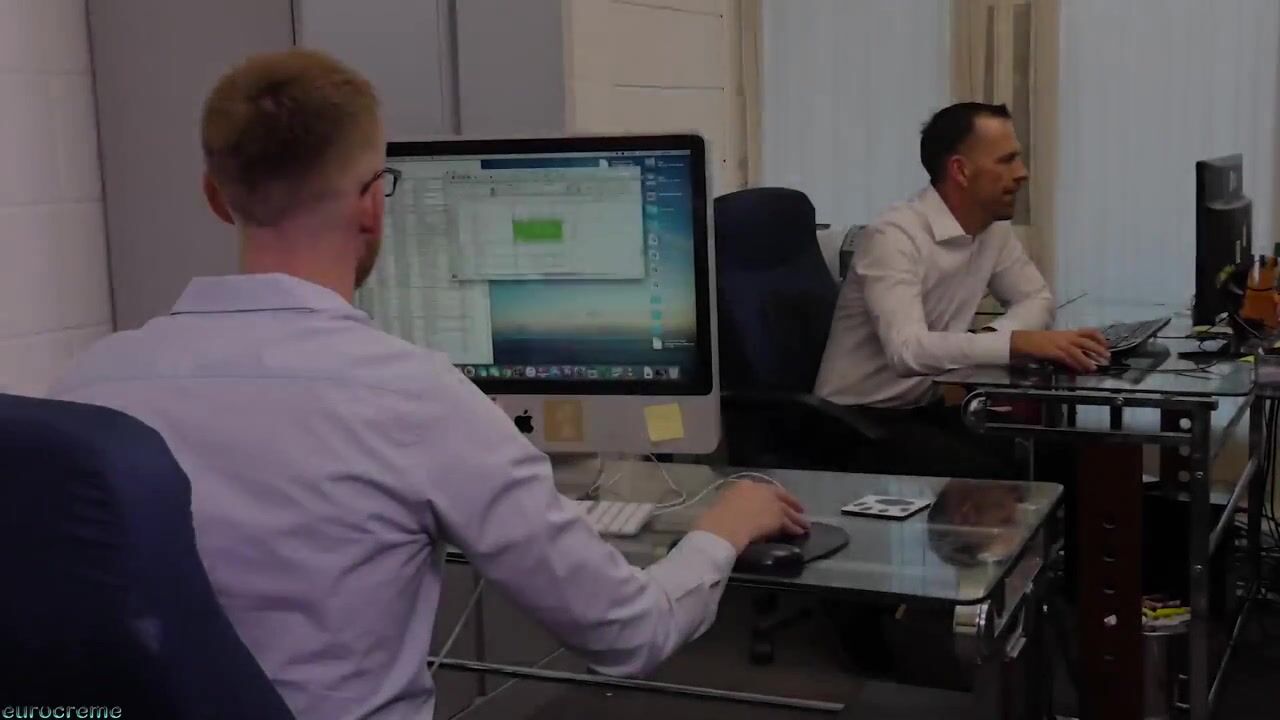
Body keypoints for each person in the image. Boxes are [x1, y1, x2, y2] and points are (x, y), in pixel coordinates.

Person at [50, 49, 808, 720]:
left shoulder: (88, 384)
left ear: (215, 196)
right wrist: (724, 526)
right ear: (372, 203)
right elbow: (628, 633)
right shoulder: (417, 398)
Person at [814, 102, 1108, 479]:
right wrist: (1015, 343)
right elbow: (907, 351)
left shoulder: (991, 229)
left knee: (1061, 454)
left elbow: (1036, 299)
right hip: (853, 423)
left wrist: (995, 337)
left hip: (922, 410)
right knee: (995, 475)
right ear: (961, 170)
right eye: (1007, 160)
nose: (1022, 173)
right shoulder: (894, 236)